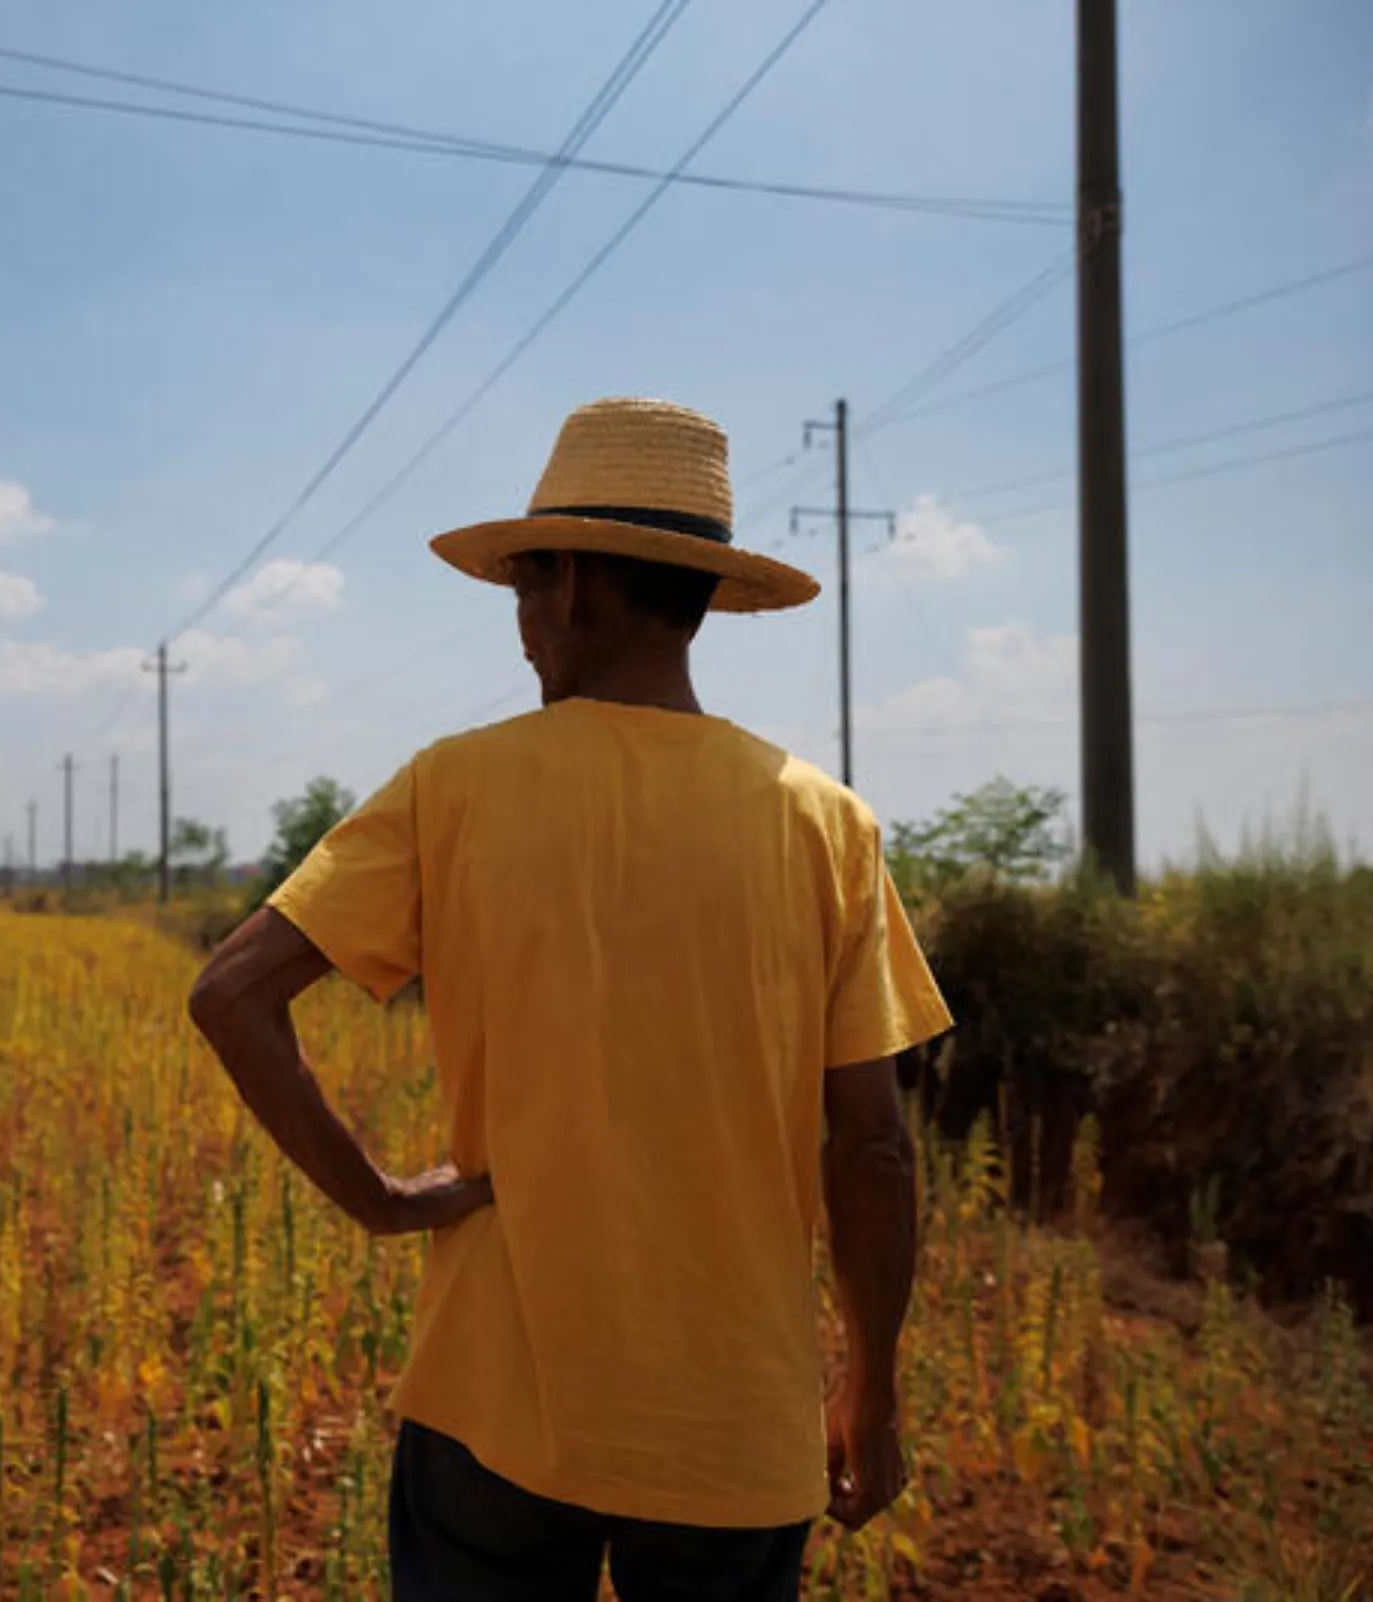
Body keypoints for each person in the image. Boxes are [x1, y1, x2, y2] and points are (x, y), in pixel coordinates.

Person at [187, 398, 952, 1601]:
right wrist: (875, 1387)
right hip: (735, 1430)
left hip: (498, 1405)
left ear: (581, 584)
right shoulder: (828, 826)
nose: (526, 632)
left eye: (526, 594)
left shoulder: (456, 787)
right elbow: (872, 1150)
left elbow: (232, 995)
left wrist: (379, 1201)